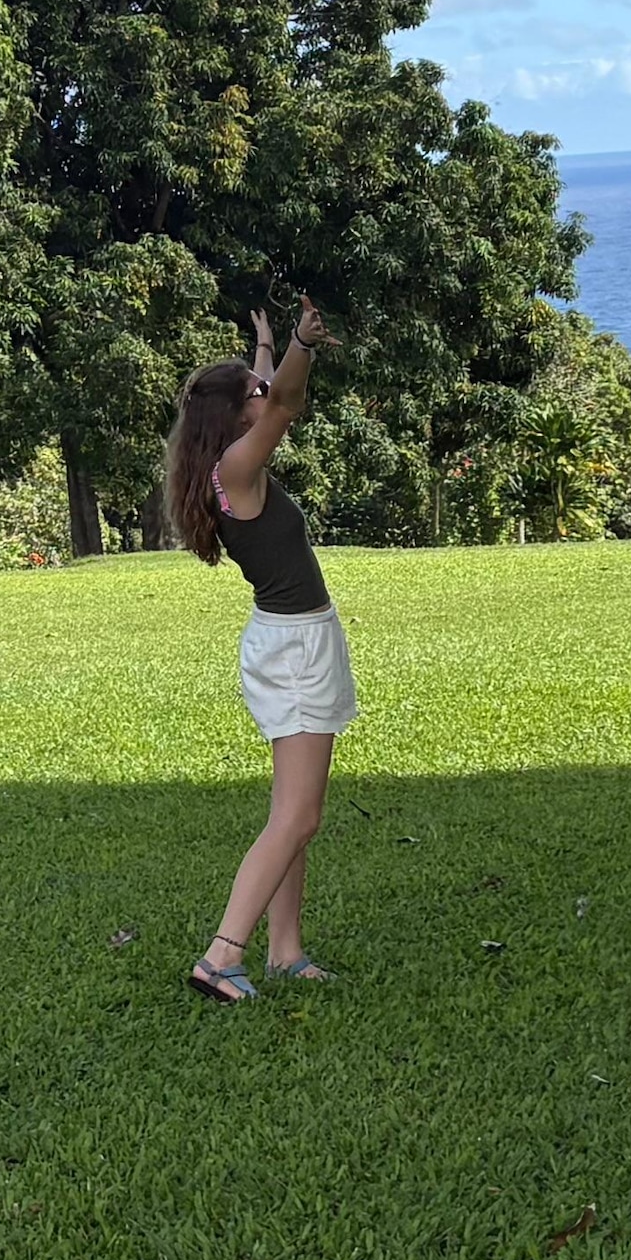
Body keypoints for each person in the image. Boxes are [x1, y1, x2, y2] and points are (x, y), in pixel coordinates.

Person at [160, 301, 352, 1003]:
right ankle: (221, 956)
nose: (263, 390)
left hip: (289, 639)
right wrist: (301, 342)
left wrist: (266, 344)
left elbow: (269, 392)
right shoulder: (240, 467)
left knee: (292, 808)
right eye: (252, 390)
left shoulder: (222, 465)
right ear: (237, 417)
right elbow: (287, 400)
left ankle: (285, 949)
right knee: (299, 816)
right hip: (296, 648)